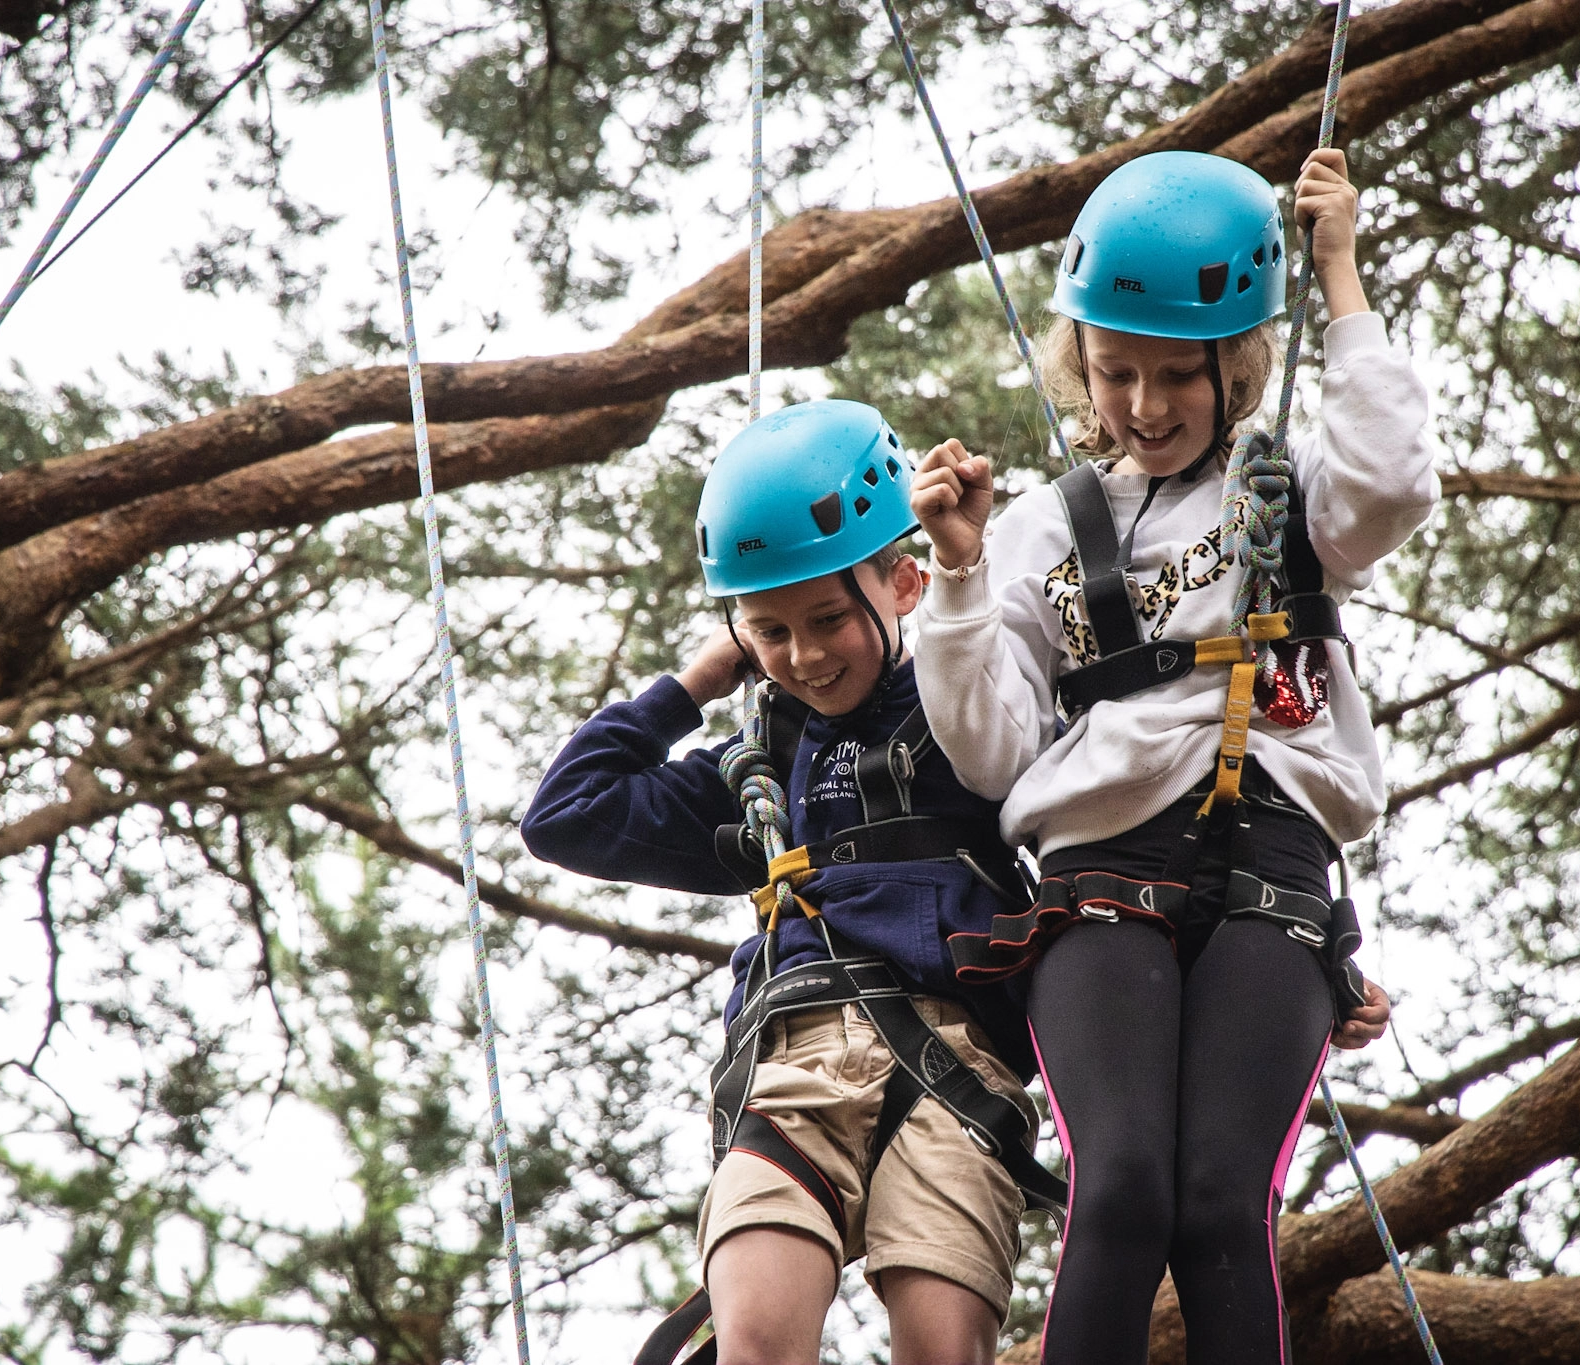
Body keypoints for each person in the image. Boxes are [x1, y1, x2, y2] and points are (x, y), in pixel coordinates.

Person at [908, 148, 1437, 1364]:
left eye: (1174, 378)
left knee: (1216, 1206)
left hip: (1273, 868)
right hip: (1103, 871)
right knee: (1126, 1186)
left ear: (1233, 367)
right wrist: (954, 574)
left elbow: (1395, 483)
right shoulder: (1043, 528)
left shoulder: (1294, 490)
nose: (1143, 407)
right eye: (1114, 375)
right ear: (1078, 365)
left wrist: (1338, 270)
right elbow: (990, 753)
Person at [522, 399, 1058, 1365]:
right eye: (771, 632)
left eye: (824, 620)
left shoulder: (975, 710)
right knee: (758, 1342)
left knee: (946, 1352)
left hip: (956, 1066)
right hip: (794, 1061)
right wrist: (694, 684)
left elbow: (1122, 807)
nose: (805, 657)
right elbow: (568, 813)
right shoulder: (760, 772)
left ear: (901, 585)